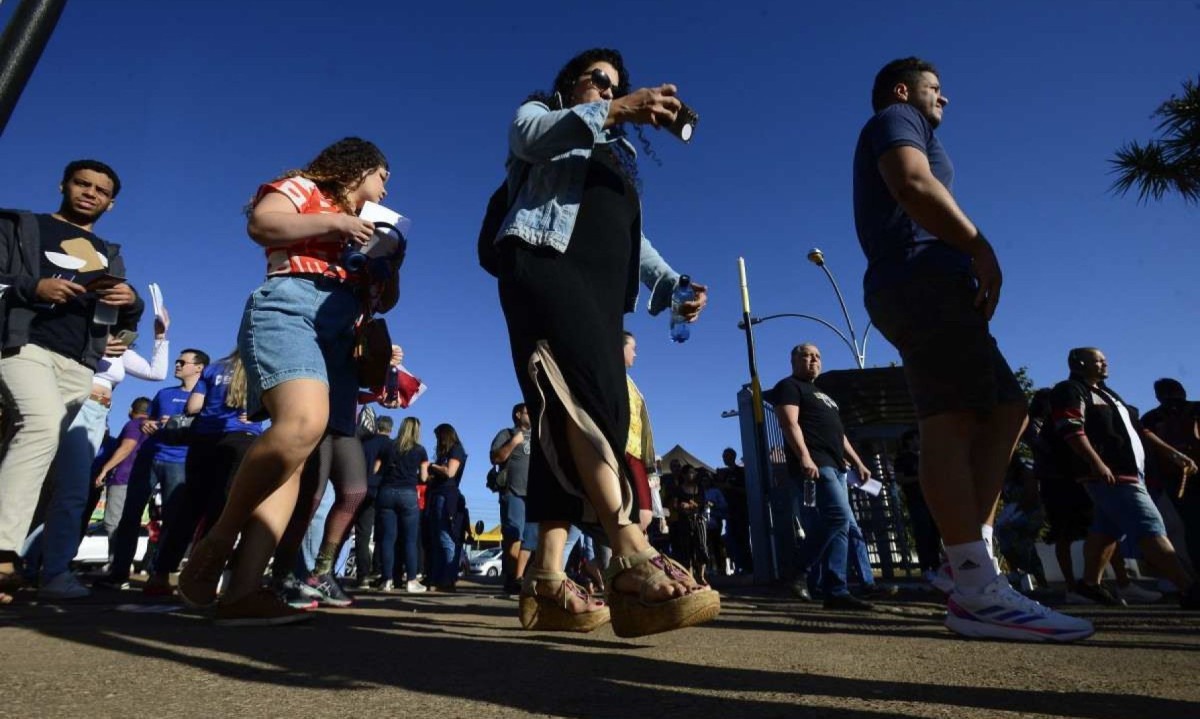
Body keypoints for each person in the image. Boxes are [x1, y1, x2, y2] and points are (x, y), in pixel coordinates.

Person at [851, 57, 1092, 641]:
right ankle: (975, 587)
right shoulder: (896, 115)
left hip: (934, 283)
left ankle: (964, 559)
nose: (947, 99)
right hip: (918, 279)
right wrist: (979, 245)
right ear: (905, 89)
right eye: (938, 88)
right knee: (952, 416)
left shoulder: (915, 121)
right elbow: (911, 182)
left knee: (1008, 406)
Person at [492, 47, 718, 637]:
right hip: (545, 266)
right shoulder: (542, 114)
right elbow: (530, 138)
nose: (606, 89)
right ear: (570, 84)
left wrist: (672, 286)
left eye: (614, 85)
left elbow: (629, 240)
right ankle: (629, 553)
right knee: (590, 402)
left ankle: (545, 581)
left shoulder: (614, 157)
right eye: (598, 81)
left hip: (598, 293)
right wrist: (616, 108)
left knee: (557, 420)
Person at [178, 138, 394, 625]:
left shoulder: (373, 226)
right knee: (300, 423)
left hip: (343, 331)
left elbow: (387, 299)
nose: (384, 191)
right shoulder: (305, 188)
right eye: (382, 178)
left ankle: (244, 591)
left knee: (299, 459)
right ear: (359, 169)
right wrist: (338, 222)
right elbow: (263, 224)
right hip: (292, 306)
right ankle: (217, 543)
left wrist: (389, 263)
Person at [0, 160, 143, 601]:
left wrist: (132, 304)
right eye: (83, 184)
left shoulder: (108, 252)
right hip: (23, 345)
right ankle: (3, 554)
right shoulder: (24, 226)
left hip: (80, 364)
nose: (90, 193)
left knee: (71, 474)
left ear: (110, 203)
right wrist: (33, 288)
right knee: (40, 424)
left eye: (101, 190)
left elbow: (121, 319)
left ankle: (57, 571)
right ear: (63, 185)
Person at [29, 311, 170, 600]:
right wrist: (93, 345)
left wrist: (161, 336)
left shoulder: (121, 350)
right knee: (49, 487)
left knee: (69, 491)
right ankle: (34, 565)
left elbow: (156, 372)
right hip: (74, 403)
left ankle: (47, 568)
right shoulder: (77, 333)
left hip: (97, 413)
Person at [1047, 348, 1199, 609]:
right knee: (1149, 526)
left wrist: (1172, 453)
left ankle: (1089, 586)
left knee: (1106, 531)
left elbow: (1139, 430)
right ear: (1080, 363)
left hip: (1128, 473)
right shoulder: (1071, 390)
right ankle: (1189, 588)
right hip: (1113, 475)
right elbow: (1070, 427)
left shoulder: (1109, 394)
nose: (1105, 364)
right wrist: (1097, 463)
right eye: (1099, 360)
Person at [145, 350, 265, 597]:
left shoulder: (213, 369)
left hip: (203, 439)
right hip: (242, 439)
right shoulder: (263, 368)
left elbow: (193, 406)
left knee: (189, 508)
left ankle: (159, 575)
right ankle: (202, 578)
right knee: (223, 510)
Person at [771, 344, 875, 611]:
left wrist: (858, 462)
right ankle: (798, 571)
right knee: (837, 517)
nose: (813, 360)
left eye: (817, 356)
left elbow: (839, 435)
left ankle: (836, 590)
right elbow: (788, 422)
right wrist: (805, 457)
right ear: (793, 360)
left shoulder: (824, 396)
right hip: (818, 464)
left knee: (841, 527)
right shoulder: (789, 386)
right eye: (806, 355)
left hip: (838, 467)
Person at [100, 348, 209, 588]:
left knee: (172, 521)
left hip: (179, 461)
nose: (177, 365)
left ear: (199, 368)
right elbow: (148, 422)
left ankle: (158, 574)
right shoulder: (164, 394)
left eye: (183, 361)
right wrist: (148, 425)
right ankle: (119, 573)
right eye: (177, 361)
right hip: (149, 458)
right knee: (130, 516)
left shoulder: (207, 397)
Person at [376, 417, 428, 593]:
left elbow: (377, 469)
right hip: (407, 493)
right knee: (410, 540)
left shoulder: (388, 446)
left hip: (386, 493)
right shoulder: (420, 450)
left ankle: (386, 580)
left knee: (387, 539)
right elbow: (423, 477)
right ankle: (411, 581)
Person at [491, 403, 533, 596]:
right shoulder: (506, 433)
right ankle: (513, 579)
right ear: (518, 414)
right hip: (514, 492)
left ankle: (527, 578)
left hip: (535, 495)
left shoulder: (539, 435)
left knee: (533, 539)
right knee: (514, 536)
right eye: (528, 411)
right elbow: (496, 458)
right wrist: (514, 442)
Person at [892, 429, 941, 583]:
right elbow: (899, 479)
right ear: (909, 441)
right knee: (923, 533)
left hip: (931, 500)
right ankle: (926, 568)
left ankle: (937, 566)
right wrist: (919, 477)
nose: (920, 441)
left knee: (935, 533)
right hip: (916, 500)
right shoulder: (902, 460)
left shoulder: (925, 457)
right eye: (917, 439)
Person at [351, 415, 394, 587]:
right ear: (390, 429)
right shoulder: (393, 446)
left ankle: (362, 575)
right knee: (385, 535)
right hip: (385, 492)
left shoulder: (365, 444)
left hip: (364, 488)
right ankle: (382, 572)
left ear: (376, 427)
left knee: (363, 534)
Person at [623, 331, 657, 533]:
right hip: (624, 450)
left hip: (637, 453)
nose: (635, 354)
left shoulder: (630, 383)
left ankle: (600, 564)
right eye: (632, 349)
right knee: (642, 515)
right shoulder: (612, 376)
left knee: (642, 516)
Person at [426, 423, 467, 591]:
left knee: (446, 538)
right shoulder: (445, 453)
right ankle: (437, 578)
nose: (437, 441)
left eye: (439, 437)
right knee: (437, 539)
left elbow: (450, 472)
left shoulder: (456, 450)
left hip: (447, 496)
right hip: (437, 495)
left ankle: (448, 579)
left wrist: (432, 466)